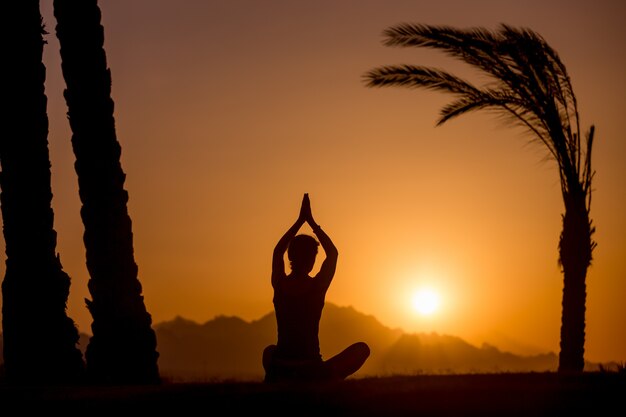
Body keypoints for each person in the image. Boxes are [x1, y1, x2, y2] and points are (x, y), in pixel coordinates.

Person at [262, 193, 370, 383]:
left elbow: (277, 250)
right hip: (311, 368)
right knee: (362, 349)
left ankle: (282, 378)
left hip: (281, 365)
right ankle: (327, 380)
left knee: (269, 351)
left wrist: (299, 222)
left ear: (290, 258)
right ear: (312, 260)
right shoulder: (317, 287)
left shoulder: (279, 284)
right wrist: (312, 223)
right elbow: (333, 254)